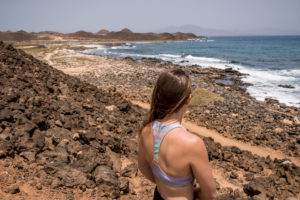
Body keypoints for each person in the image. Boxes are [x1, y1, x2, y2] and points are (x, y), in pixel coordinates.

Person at [138, 68, 216, 200]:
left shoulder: (146, 130)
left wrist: (164, 183)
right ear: (188, 99)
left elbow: (143, 168)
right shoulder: (193, 144)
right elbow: (210, 194)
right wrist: (191, 192)